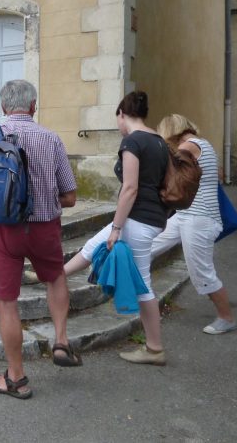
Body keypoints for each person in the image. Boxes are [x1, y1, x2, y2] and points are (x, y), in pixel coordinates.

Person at [0, 79, 79, 400]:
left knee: (6, 302)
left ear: (3, 108)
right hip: (45, 227)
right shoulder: (51, 138)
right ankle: (61, 341)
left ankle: (16, 377)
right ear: (33, 106)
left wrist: (1, 205)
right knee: (55, 277)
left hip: (5, 230)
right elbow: (69, 196)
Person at [62, 91, 169, 365]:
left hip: (137, 219)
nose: (119, 125)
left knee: (143, 285)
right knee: (94, 248)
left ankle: (155, 349)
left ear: (122, 114)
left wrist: (117, 227)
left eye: (118, 119)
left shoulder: (133, 142)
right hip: (154, 218)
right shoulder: (159, 141)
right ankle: (55, 276)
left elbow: (130, 188)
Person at [150, 114, 236, 335]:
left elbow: (166, 169)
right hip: (187, 215)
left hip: (200, 218)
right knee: (148, 245)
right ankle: (136, 294)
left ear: (171, 131)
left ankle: (226, 317)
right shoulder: (203, 144)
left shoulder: (190, 146)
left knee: (201, 271)